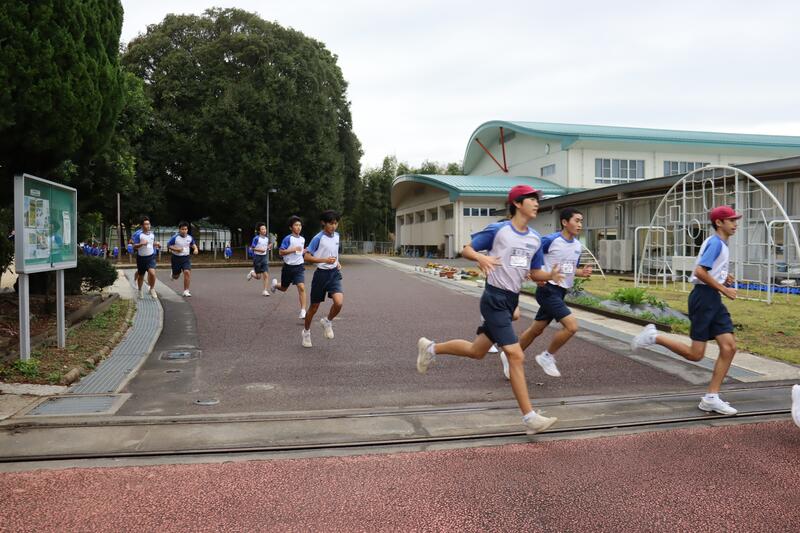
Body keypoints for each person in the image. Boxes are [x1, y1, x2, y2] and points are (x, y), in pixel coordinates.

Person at [416, 185, 564, 436]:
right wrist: (481, 258)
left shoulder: (535, 238)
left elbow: (534, 272)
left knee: (477, 351)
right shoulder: (499, 230)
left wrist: (549, 275)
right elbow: (466, 249)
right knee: (515, 355)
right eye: (531, 199)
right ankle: (529, 417)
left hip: (510, 300)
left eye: (537, 200)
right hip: (493, 298)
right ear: (517, 203)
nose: (537, 203)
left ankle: (430, 348)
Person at [632, 205, 742, 415]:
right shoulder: (716, 243)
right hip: (704, 298)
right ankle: (654, 337)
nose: (735, 224)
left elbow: (707, 270)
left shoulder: (719, 243)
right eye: (731, 220)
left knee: (729, 347)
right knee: (695, 354)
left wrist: (722, 277)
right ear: (719, 223)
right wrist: (724, 288)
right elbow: (700, 272)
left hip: (712, 298)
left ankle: (711, 398)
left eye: (736, 220)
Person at [504, 207, 593, 379]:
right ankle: (547, 356)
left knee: (536, 330)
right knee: (572, 326)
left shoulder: (577, 245)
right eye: (576, 221)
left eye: (581, 221)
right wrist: (533, 275)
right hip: (547, 290)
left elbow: (569, 269)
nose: (580, 225)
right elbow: (529, 255)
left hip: (560, 292)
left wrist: (582, 272)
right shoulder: (550, 240)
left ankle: (510, 355)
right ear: (564, 222)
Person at [301, 210, 342, 348]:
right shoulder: (318, 238)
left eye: (336, 223)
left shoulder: (337, 236)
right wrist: (324, 260)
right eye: (331, 223)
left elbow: (334, 253)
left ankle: (327, 321)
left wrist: (337, 262)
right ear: (323, 223)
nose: (334, 226)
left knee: (339, 303)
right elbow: (306, 256)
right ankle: (306, 332)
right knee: (314, 308)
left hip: (334, 274)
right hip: (321, 275)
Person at [271, 216, 307, 318]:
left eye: (300, 225)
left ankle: (303, 311)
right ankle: (275, 285)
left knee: (301, 287)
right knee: (283, 288)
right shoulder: (288, 238)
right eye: (296, 225)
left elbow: (300, 252)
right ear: (291, 227)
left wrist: (305, 251)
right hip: (288, 267)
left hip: (299, 267)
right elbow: (281, 252)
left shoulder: (302, 239)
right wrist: (293, 249)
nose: (299, 227)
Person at [167, 221, 199, 297]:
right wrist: (176, 249)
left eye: (185, 229)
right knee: (176, 277)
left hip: (186, 258)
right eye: (182, 229)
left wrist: (196, 249)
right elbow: (169, 245)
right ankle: (173, 274)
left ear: (187, 230)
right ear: (179, 229)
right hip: (176, 259)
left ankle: (186, 291)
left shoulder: (189, 237)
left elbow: (193, 244)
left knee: (187, 272)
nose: (184, 231)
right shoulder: (175, 237)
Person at [132, 216, 160, 299]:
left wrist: (156, 244)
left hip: (151, 257)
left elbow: (151, 243)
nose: (148, 226)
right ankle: (140, 290)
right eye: (146, 224)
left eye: (149, 224)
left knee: (152, 273)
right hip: (141, 258)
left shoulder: (152, 234)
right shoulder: (138, 235)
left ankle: (152, 288)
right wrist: (141, 244)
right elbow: (134, 246)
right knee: (141, 276)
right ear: (142, 226)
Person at [246, 222, 272, 296]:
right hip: (257, 258)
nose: (264, 230)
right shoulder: (256, 238)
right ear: (259, 231)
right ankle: (252, 273)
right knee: (258, 277)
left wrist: (269, 246)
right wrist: (260, 250)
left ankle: (265, 290)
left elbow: (270, 244)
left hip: (264, 257)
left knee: (266, 274)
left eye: (265, 229)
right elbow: (252, 248)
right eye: (262, 229)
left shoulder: (267, 238)